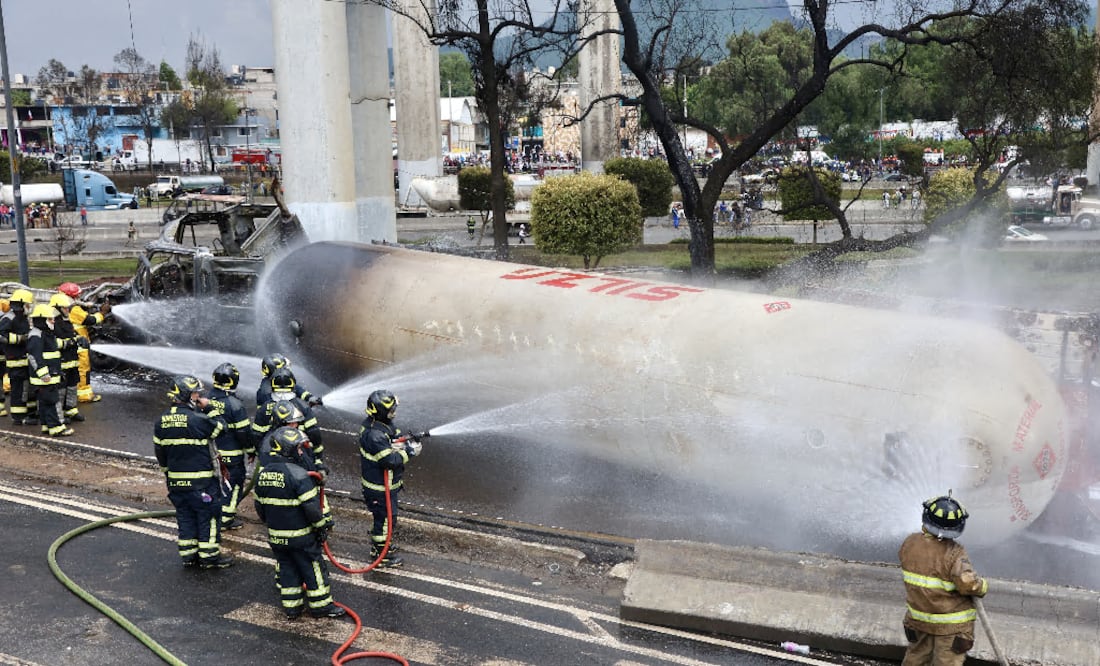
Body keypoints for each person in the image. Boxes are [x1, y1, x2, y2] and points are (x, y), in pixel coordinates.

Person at [253, 426, 344, 619]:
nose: (301, 451)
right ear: (289, 450)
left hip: (276, 536)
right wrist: (321, 527)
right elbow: (311, 508)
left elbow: (259, 508)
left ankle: (292, 608)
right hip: (301, 537)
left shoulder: (263, 475)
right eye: (298, 448)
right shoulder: (299, 475)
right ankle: (321, 607)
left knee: (287, 570)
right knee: (313, 568)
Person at [153, 375, 234, 569]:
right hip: (202, 484)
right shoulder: (198, 419)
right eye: (196, 393)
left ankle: (189, 556)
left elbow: (160, 453)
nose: (198, 396)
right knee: (209, 518)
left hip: (176, 483)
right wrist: (210, 408)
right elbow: (222, 428)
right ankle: (209, 558)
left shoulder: (161, 421)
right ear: (187, 395)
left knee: (185, 517)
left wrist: (169, 474)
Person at [899, 492, 988, 666]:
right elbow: (968, 584)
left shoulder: (909, 544)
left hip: (918, 620)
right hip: (951, 627)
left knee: (915, 658)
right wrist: (982, 586)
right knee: (946, 662)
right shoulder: (954, 553)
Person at [358, 389, 424, 567]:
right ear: (380, 412)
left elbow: (393, 437)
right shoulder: (374, 435)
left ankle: (380, 546)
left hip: (385, 486)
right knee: (386, 520)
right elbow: (390, 461)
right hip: (379, 489)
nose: (393, 413)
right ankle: (381, 555)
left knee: (384, 520)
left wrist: (405, 440)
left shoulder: (381, 426)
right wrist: (410, 451)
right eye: (390, 410)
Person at [207, 363, 254, 531]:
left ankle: (212, 513)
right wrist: (251, 450)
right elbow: (243, 433)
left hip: (210, 455)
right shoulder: (234, 405)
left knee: (213, 485)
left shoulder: (206, 400)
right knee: (233, 486)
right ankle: (226, 519)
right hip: (231, 456)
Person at [254, 368, 325, 465]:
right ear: (292, 383)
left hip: (270, 454)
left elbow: (257, 435)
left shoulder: (264, 407)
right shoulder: (303, 406)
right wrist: (318, 456)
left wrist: (260, 453)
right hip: (298, 455)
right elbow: (314, 433)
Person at [57, 282, 111, 403]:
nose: (78, 298)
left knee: (70, 371)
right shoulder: (73, 309)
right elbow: (90, 320)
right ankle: (84, 395)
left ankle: (69, 394)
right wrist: (102, 313)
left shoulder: (59, 307)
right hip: (80, 345)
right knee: (83, 370)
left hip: (69, 345)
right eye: (76, 295)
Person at [26, 304, 73, 437]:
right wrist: (44, 374)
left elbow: (53, 345)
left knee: (46, 402)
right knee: (52, 401)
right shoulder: (36, 335)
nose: (53, 321)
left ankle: (46, 426)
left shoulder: (45, 333)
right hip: (44, 378)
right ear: (41, 320)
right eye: (50, 319)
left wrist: (70, 342)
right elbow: (34, 356)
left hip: (49, 375)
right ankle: (56, 428)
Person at [48, 293, 87, 424]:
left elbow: (72, 335)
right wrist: (70, 342)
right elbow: (53, 342)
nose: (68, 310)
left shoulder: (67, 321)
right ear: (57, 308)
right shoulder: (53, 323)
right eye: (65, 308)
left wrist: (79, 339)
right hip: (61, 363)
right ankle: (59, 415)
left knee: (72, 386)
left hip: (72, 362)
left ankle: (71, 410)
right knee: (61, 390)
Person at [0, 289, 37, 425]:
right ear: (21, 304)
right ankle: (18, 417)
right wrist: (21, 338)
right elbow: (2, 336)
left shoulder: (23, 318)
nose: (29, 307)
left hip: (25, 359)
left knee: (29, 388)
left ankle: (31, 413)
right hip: (15, 360)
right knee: (18, 389)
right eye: (28, 304)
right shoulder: (9, 318)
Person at [255, 353, 321, 408]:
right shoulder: (265, 389)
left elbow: (297, 389)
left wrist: (310, 397)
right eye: (284, 368)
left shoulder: (280, 381)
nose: (286, 370)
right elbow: (267, 409)